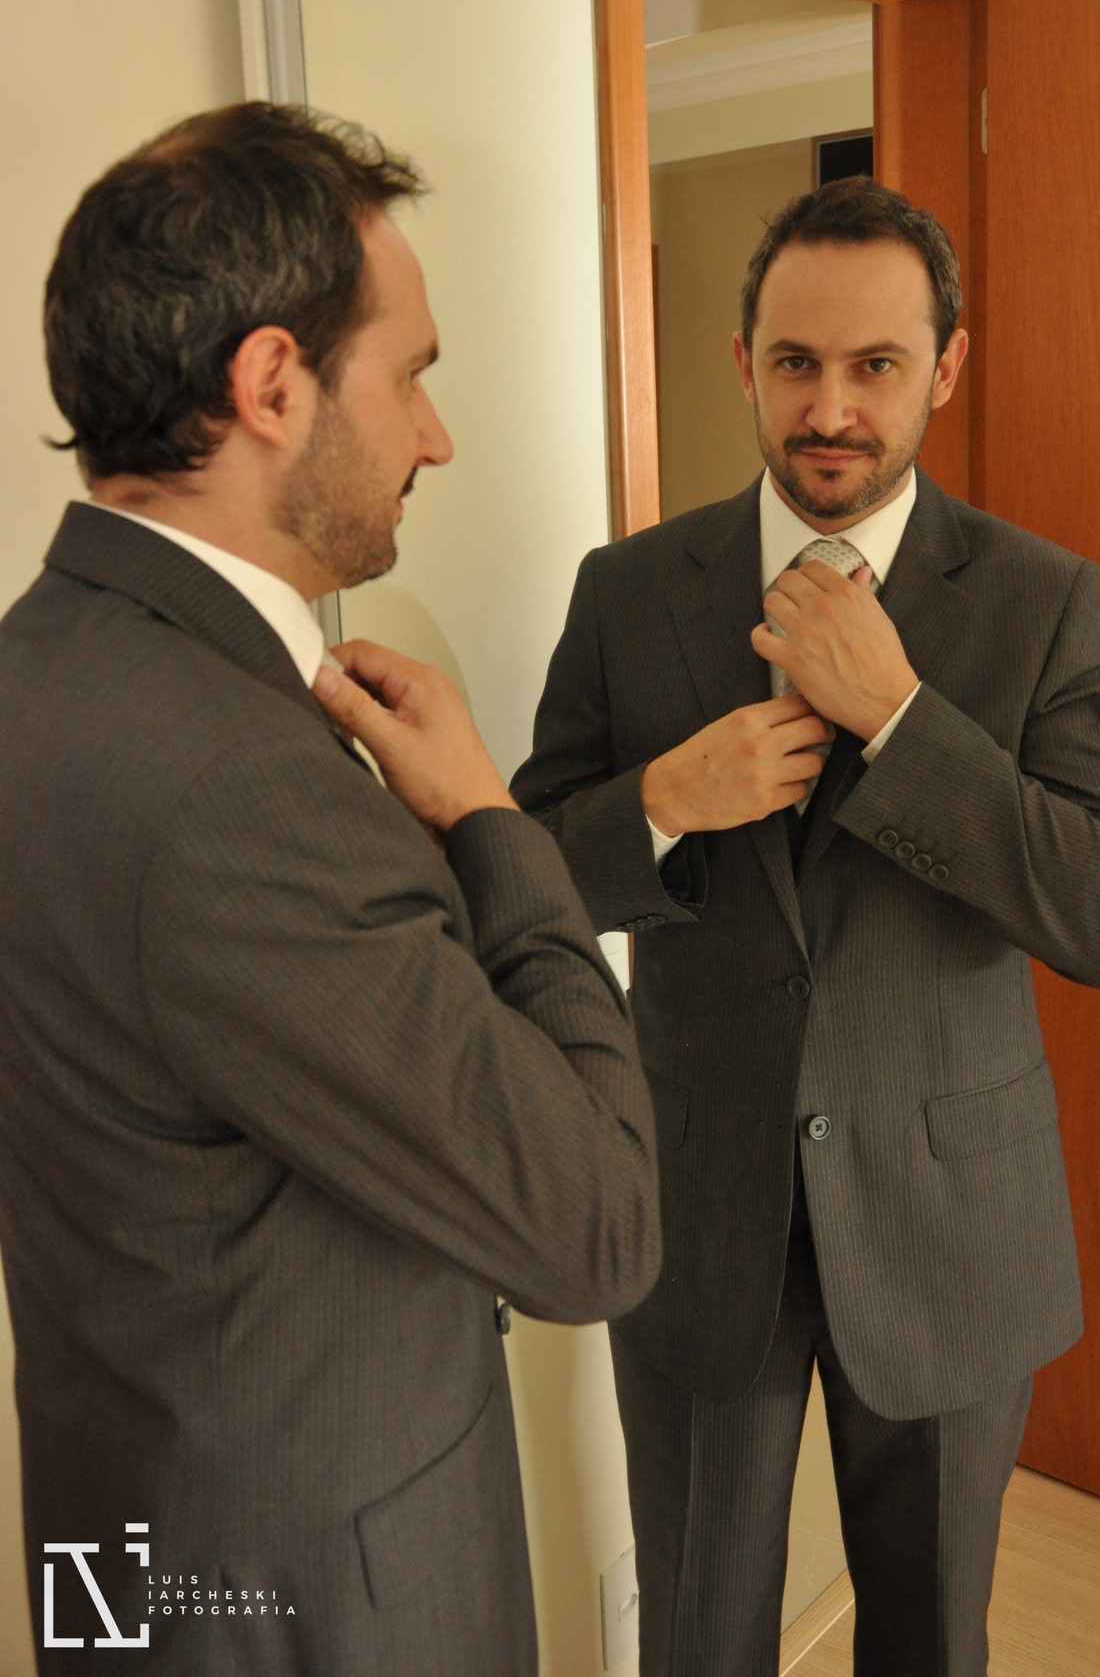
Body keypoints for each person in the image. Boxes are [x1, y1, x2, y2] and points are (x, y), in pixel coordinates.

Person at [0, 102, 661, 1676]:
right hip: (315, 1595)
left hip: (126, 1536)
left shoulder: (34, 672)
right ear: (273, 385)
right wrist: (492, 820)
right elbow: (596, 1223)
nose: (436, 436)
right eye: (411, 373)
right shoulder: (244, 790)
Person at [510, 176, 1100, 1677]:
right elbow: (525, 879)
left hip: (952, 1227)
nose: (830, 410)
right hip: (698, 1218)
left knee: (931, 1640)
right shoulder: (627, 593)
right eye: (795, 362)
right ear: (741, 362)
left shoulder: (1038, 601)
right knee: (698, 1637)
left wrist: (905, 719)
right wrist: (663, 803)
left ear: (945, 366)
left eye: (876, 364)